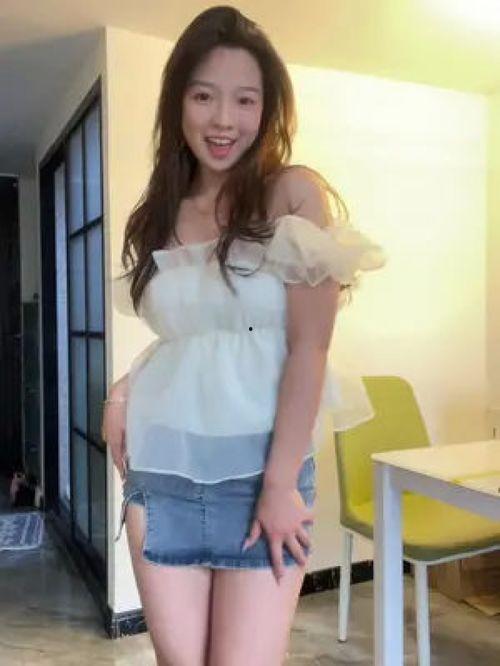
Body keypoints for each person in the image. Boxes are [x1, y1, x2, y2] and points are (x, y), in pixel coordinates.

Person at [102, 6, 386, 665]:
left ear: (268, 108)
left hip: (262, 480)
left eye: (245, 99)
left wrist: (280, 485)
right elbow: (188, 339)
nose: (223, 119)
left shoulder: (291, 194)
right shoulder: (160, 213)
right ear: (177, 103)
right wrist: (122, 390)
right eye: (204, 96)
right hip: (161, 474)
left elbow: (309, 348)